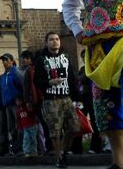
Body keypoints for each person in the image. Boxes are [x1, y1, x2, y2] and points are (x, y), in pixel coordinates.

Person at [62, 0, 123, 169]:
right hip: (97, 47)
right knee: (105, 106)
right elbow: (69, 6)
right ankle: (118, 162)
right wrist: (76, 30)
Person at [33, 31, 80, 168]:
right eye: (51, 39)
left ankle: (63, 151)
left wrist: (77, 97)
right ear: (46, 42)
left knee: (74, 127)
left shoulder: (66, 57)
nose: (55, 41)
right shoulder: (41, 60)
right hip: (51, 99)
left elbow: (71, 78)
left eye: (57, 39)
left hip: (66, 98)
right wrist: (49, 83)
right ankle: (59, 158)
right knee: (55, 131)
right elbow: (37, 80)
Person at [0, 53, 23, 156]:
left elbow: (22, 86)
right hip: (6, 105)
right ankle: (13, 148)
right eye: (3, 60)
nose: (4, 62)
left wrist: (20, 98)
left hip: (15, 104)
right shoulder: (3, 76)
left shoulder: (16, 73)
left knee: (18, 126)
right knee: (11, 128)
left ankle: (20, 148)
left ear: (12, 61)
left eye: (6, 60)